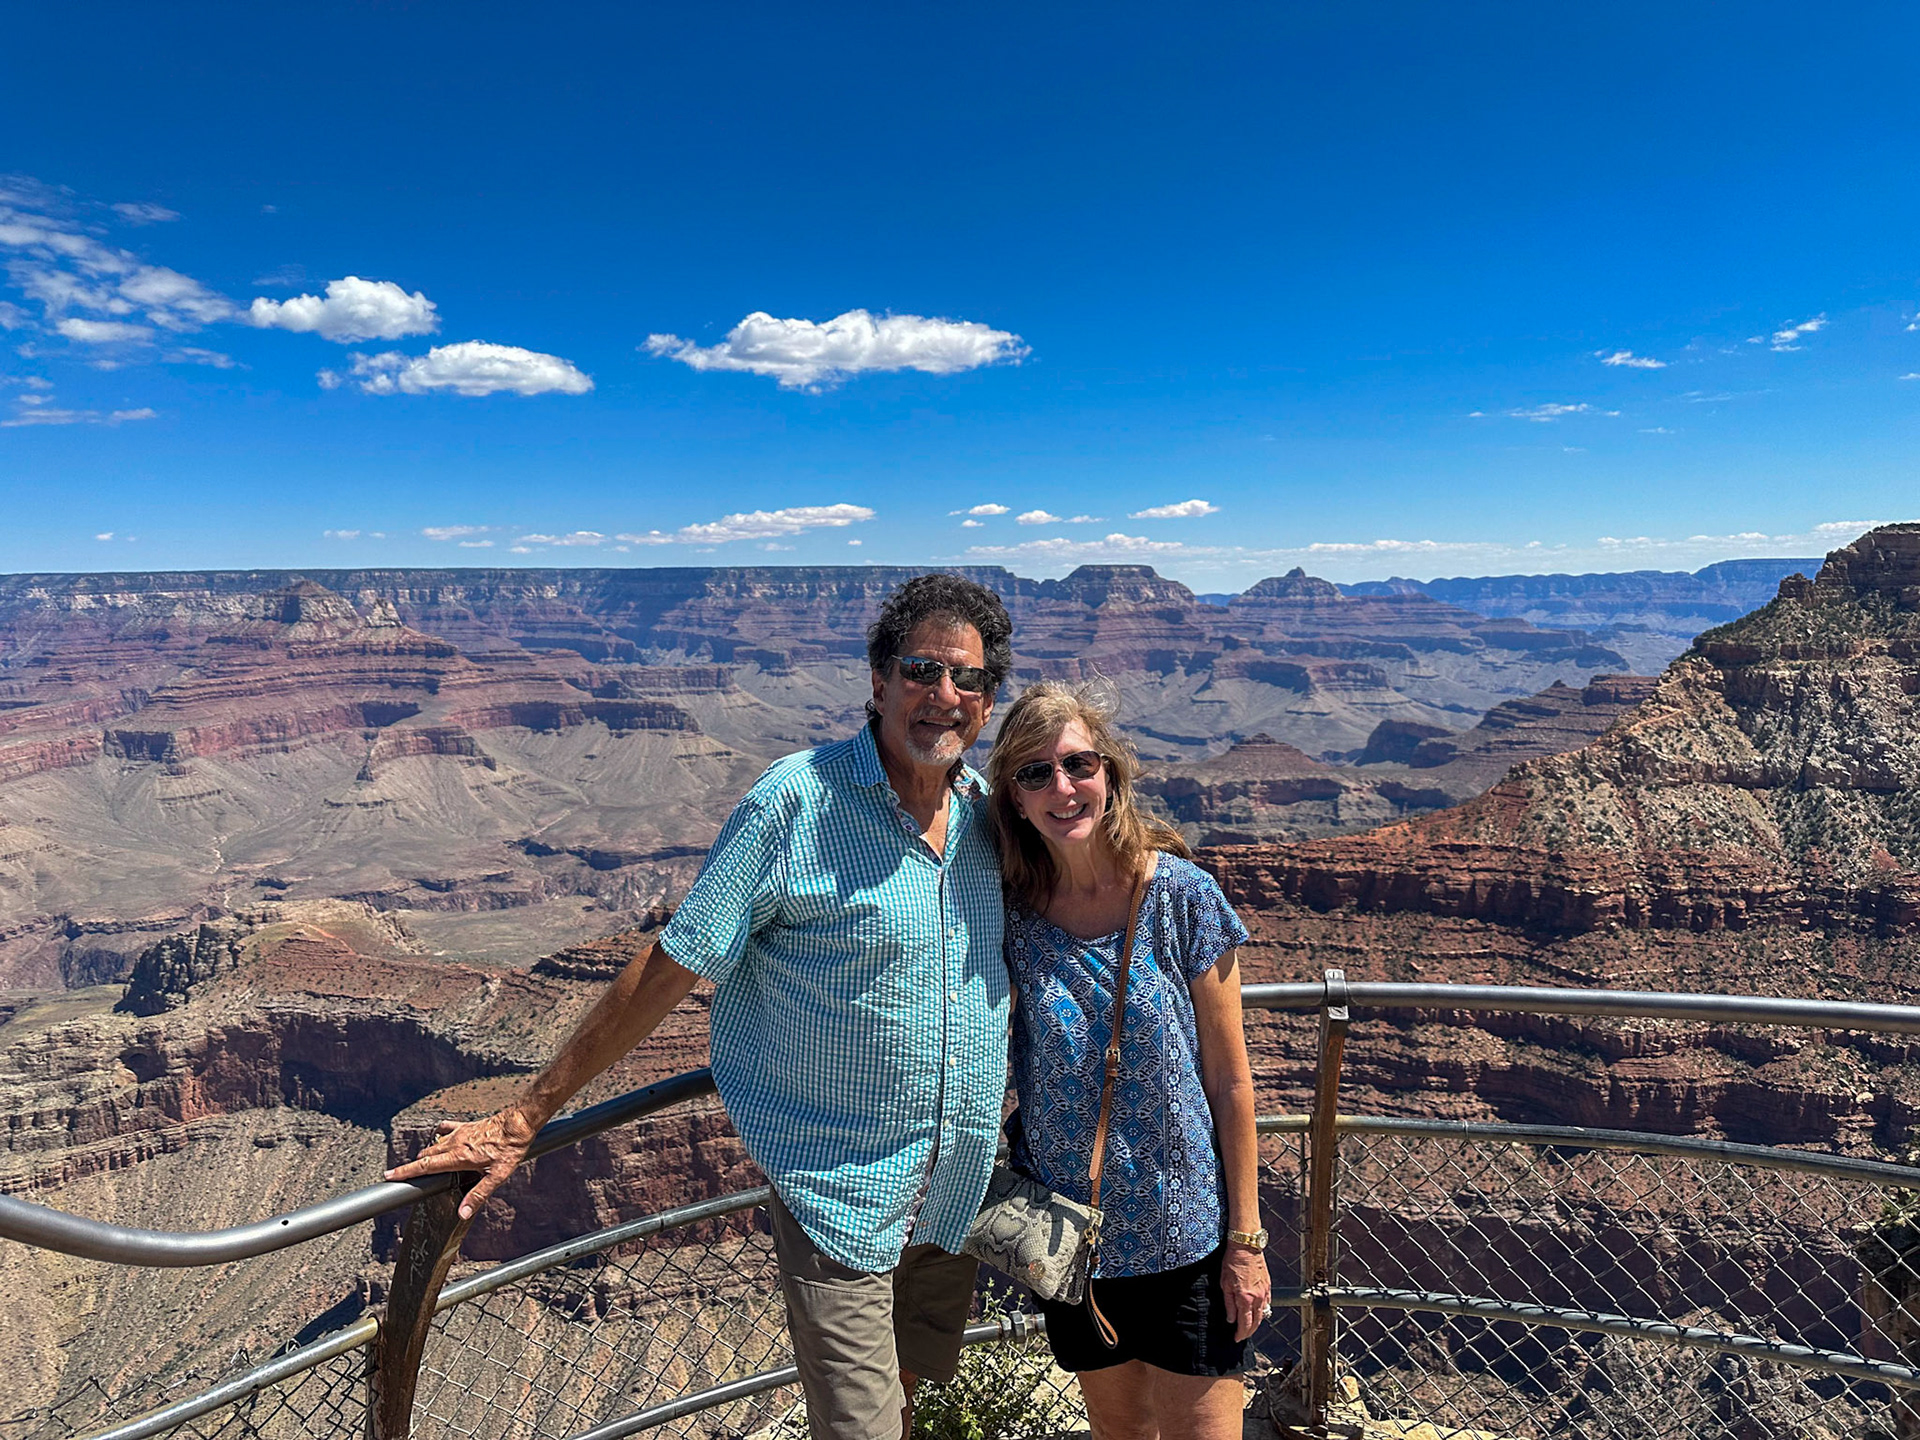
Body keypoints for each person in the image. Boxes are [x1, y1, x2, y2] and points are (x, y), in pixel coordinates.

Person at [386, 573, 1016, 1440]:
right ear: (876, 681)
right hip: (844, 1196)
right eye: (922, 670)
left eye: (968, 679)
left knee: (912, 1402)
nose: (945, 697)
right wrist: (525, 1116)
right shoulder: (795, 802)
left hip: (953, 1194)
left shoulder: (988, 817)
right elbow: (670, 964)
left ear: (988, 698)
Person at [987, 680, 1270, 1440]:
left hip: (1186, 1240)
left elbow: (1231, 1080)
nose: (1063, 787)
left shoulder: (1183, 897)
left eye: (1079, 764)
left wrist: (1246, 1243)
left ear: (1110, 772)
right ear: (1012, 798)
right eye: (1035, 773)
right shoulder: (1008, 914)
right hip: (1072, 1245)